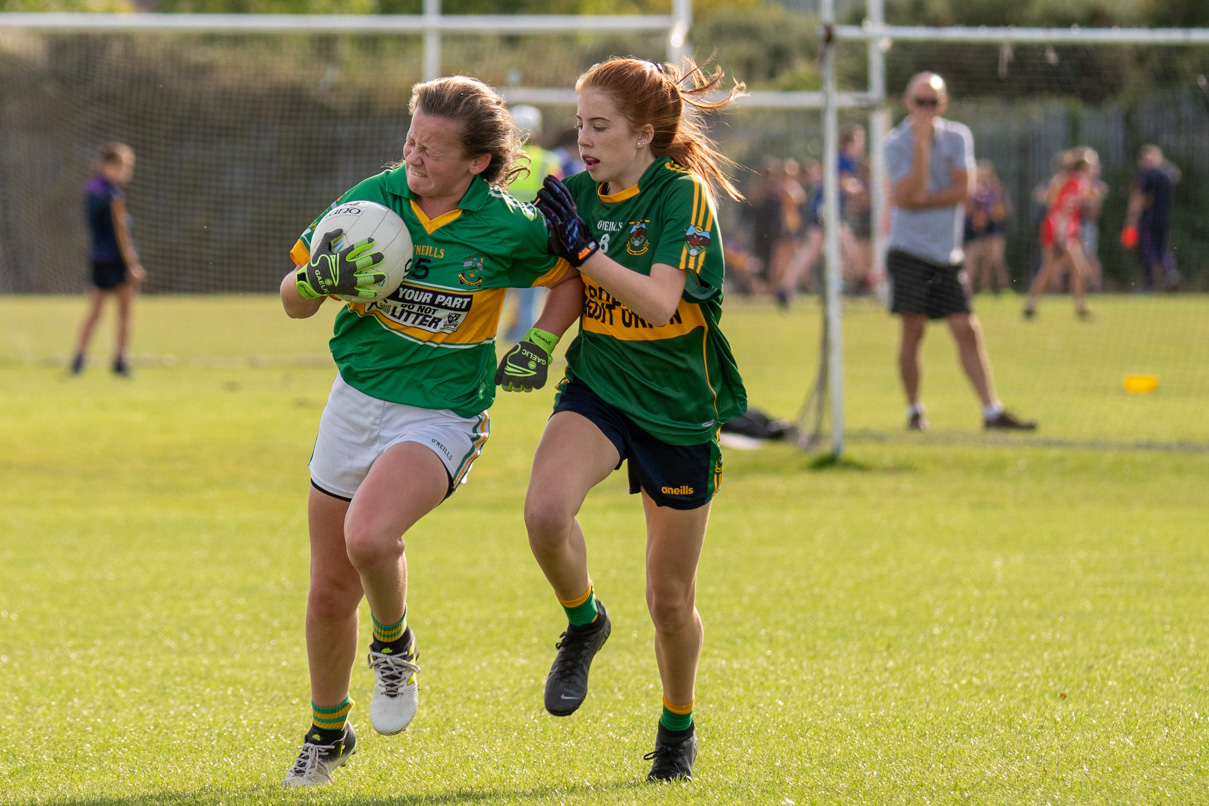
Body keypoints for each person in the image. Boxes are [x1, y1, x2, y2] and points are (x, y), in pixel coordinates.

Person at [278, 75, 584, 787]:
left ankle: (393, 645)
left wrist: (540, 341)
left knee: (370, 537)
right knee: (328, 590)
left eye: (431, 150)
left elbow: (567, 279)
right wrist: (318, 279)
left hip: (442, 411)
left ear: (476, 162)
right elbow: (291, 298)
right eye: (411, 142)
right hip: (354, 401)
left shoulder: (507, 224)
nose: (413, 158)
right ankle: (329, 731)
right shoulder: (373, 198)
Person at [519, 56, 747, 782]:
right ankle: (583, 620)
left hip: (678, 411)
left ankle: (676, 724)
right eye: (578, 123)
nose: (581, 138)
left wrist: (585, 249)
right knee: (544, 514)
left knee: (669, 599)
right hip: (600, 385)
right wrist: (539, 340)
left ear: (642, 133)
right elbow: (566, 283)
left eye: (598, 125)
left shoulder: (681, 196)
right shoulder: (575, 194)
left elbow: (657, 302)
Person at [883, 72, 1036, 432]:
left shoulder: (957, 135)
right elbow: (907, 195)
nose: (925, 109)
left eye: (932, 102)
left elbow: (959, 191)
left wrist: (921, 199)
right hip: (908, 251)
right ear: (907, 102)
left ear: (943, 103)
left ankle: (991, 410)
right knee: (914, 330)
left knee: (966, 328)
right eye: (919, 102)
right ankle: (914, 411)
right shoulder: (895, 143)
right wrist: (920, 148)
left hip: (946, 253)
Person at [71, 142, 145, 376]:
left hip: (97, 257)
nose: (124, 172)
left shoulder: (91, 188)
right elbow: (121, 233)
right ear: (106, 165)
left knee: (96, 311)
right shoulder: (113, 194)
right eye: (121, 167)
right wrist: (132, 265)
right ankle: (119, 361)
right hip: (115, 260)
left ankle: (79, 359)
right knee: (122, 310)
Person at [502, 104, 565, 342]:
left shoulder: (502, 160)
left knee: (495, 294)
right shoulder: (549, 160)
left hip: (501, 236)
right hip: (536, 238)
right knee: (529, 299)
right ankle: (521, 343)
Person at [1023, 147, 1099, 319]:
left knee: (1064, 270)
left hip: (1066, 231)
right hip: (1058, 231)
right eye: (1091, 163)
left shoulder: (1081, 182)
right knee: (1053, 271)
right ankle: (1079, 308)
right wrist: (1061, 236)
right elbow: (1060, 208)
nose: (1094, 166)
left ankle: (1033, 305)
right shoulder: (1072, 181)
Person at [1122, 144, 1180, 292]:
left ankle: (1149, 285)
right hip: (1164, 219)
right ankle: (1170, 270)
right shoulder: (1166, 175)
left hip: (1148, 220)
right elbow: (1177, 174)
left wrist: (1131, 221)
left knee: (1147, 251)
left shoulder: (1144, 175)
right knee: (1162, 249)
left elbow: (1138, 199)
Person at [962, 159, 1012, 295]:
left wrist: (994, 213)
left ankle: (1004, 286)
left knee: (996, 259)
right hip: (981, 227)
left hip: (995, 227)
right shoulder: (975, 191)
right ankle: (985, 288)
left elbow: (1005, 209)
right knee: (983, 260)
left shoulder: (997, 189)